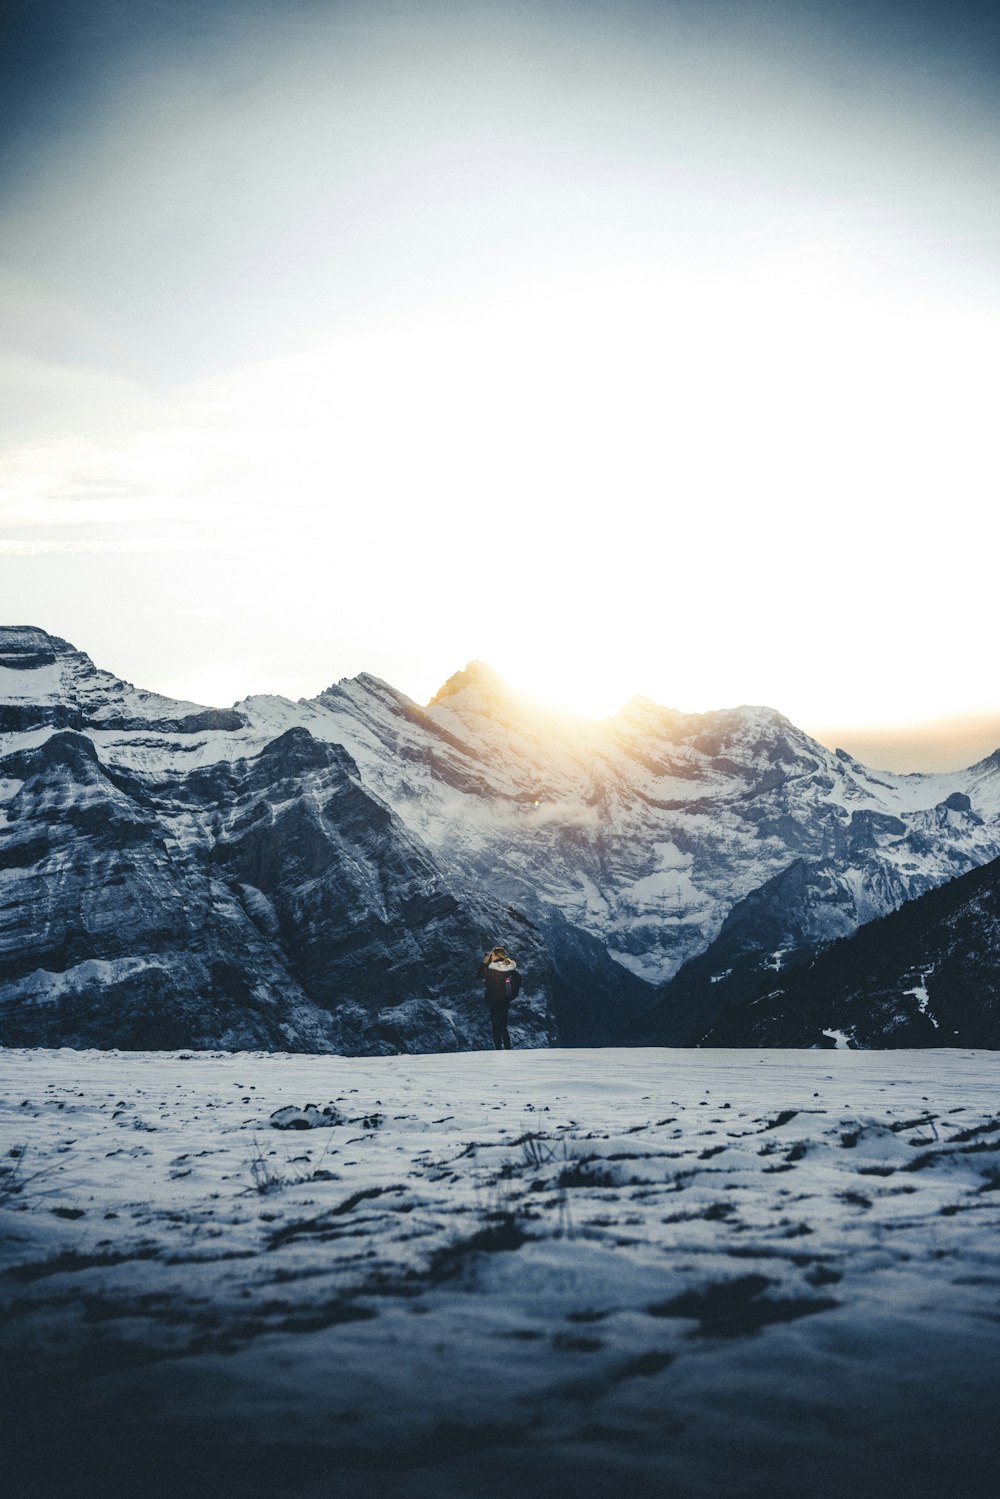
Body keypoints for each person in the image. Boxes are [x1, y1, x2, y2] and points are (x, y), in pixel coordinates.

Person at [477, 945, 522, 1050]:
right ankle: (507, 1048)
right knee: (503, 1026)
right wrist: (509, 997)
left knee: (495, 1027)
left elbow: (480, 975)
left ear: (496, 955)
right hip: (505, 1001)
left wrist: (484, 962)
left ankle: (498, 1049)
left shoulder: (492, 970)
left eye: (492, 955)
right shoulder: (510, 968)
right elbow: (518, 979)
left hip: (493, 1001)